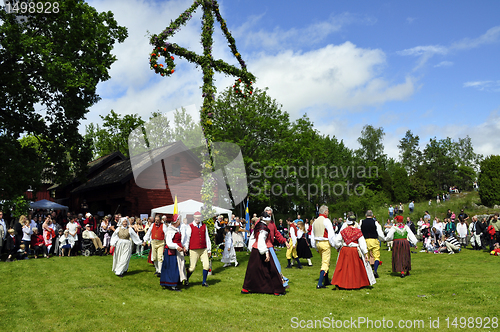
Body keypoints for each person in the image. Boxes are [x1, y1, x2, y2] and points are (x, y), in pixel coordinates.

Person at [241, 213, 286, 296]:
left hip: (255, 250)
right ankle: (277, 290)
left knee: (253, 270)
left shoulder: (258, 225)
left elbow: (252, 237)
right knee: (271, 269)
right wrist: (266, 252)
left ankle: (246, 288)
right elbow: (261, 240)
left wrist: (251, 248)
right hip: (260, 249)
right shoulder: (264, 228)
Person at [331, 215, 375, 289]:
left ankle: (341, 283)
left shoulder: (343, 231)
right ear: (354, 223)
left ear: (347, 223)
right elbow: (362, 242)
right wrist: (365, 252)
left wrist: (339, 246)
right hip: (354, 250)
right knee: (356, 268)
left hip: (344, 250)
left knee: (343, 267)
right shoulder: (358, 231)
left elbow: (336, 241)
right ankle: (357, 283)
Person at [310, 205, 336, 289]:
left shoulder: (315, 222)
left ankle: (326, 280)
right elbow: (331, 234)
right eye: (327, 211)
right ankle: (320, 283)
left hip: (318, 243)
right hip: (325, 242)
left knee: (325, 261)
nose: (328, 212)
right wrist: (334, 244)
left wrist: (315, 246)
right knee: (325, 263)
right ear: (325, 212)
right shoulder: (326, 220)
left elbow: (312, 235)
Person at [160, 214, 187, 291]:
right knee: (172, 268)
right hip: (171, 252)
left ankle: (175, 282)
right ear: (176, 221)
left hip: (176, 251)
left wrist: (183, 246)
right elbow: (168, 242)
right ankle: (171, 284)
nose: (180, 221)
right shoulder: (170, 230)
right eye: (179, 220)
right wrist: (176, 246)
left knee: (178, 267)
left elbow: (179, 241)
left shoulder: (176, 229)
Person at [185, 211, 212, 287]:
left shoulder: (204, 226)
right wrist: (186, 248)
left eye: (199, 217)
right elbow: (187, 238)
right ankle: (186, 278)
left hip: (203, 249)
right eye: (196, 217)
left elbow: (207, 238)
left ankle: (204, 282)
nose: (198, 219)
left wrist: (209, 249)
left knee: (206, 265)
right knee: (192, 268)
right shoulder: (190, 226)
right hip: (194, 249)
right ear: (194, 217)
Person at [359, 210, 386, 278]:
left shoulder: (362, 222)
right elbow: (380, 232)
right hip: (374, 240)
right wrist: (383, 239)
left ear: (366, 215)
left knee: (366, 257)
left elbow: (359, 231)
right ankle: (375, 271)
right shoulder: (375, 222)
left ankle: (367, 272)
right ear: (372, 215)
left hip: (365, 240)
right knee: (376, 256)